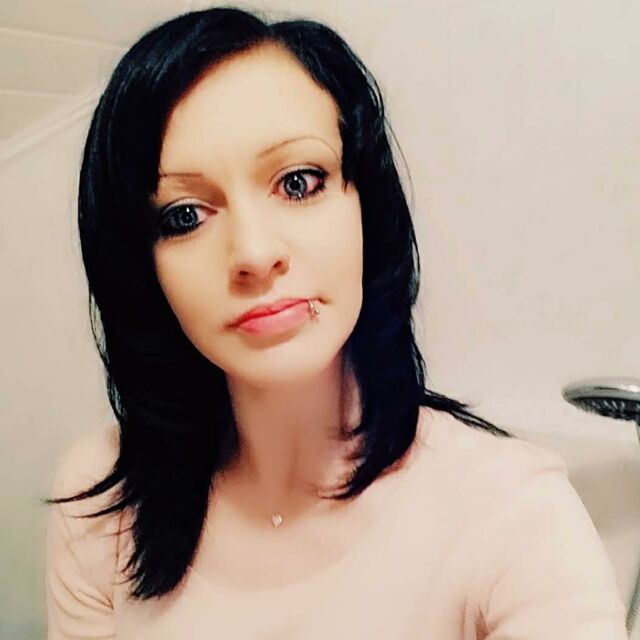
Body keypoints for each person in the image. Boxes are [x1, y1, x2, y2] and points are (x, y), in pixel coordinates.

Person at [46, 6, 628, 639]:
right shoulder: (101, 499)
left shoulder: (514, 512)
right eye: (185, 216)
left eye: (299, 182)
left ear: (365, 206)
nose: (254, 253)